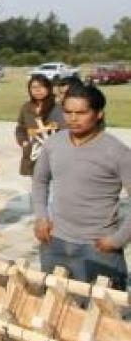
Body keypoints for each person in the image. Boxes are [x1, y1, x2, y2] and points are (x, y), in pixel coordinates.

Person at [33, 83, 131, 290]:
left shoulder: (117, 152)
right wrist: (41, 217)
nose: (73, 118)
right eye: (68, 112)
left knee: (107, 316)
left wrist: (118, 240)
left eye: (81, 112)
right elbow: (40, 181)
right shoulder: (53, 144)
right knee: (57, 311)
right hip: (55, 242)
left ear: (98, 114)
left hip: (98, 248)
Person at [15, 74, 65, 176]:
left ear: (48, 88)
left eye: (41, 87)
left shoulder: (58, 107)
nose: (38, 90)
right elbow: (20, 128)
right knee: (37, 187)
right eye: (34, 87)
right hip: (33, 155)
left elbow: (67, 129)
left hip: (54, 155)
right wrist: (24, 142)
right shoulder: (26, 107)